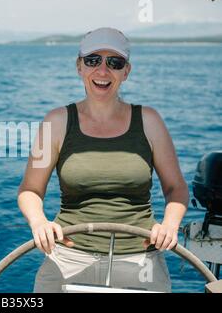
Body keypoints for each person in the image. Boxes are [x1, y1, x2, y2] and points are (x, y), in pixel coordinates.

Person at [17, 27, 189, 293]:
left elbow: (175, 189)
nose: (103, 71)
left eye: (114, 63)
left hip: (140, 259)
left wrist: (170, 225)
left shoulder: (150, 121)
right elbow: (30, 190)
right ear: (79, 66)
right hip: (69, 258)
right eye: (93, 60)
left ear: (126, 72)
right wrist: (38, 222)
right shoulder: (55, 122)